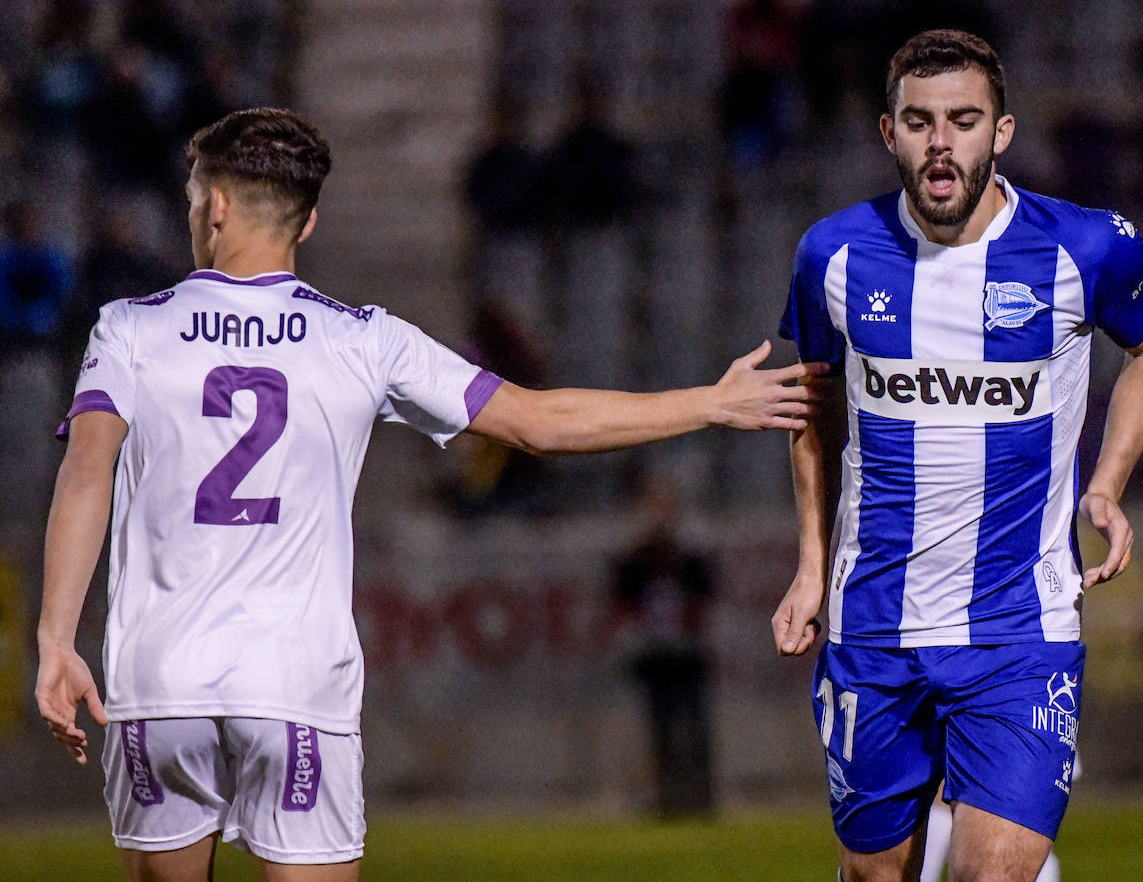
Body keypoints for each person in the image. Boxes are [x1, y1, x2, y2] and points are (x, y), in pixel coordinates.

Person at [35, 107, 826, 881]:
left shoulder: (128, 329)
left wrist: (57, 641)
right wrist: (709, 403)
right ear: (307, 225)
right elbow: (537, 423)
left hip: (160, 682)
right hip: (295, 684)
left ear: (212, 205)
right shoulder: (364, 337)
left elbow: (86, 474)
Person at [771, 30, 1143, 882]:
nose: (940, 142)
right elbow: (809, 415)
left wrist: (1105, 485)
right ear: (890, 134)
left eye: (963, 120)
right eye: (919, 122)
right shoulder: (833, 256)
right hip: (873, 622)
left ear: (1002, 132)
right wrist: (811, 564)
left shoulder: (1083, 249)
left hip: (1020, 630)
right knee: (876, 872)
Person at [612, 475, 717, 818]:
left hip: (686, 652)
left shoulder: (688, 555)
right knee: (659, 730)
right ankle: (664, 797)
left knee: (694, 728)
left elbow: (706, 596)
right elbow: (621, 601)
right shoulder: (635, 558)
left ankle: (699, 796)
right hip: (654, 654)